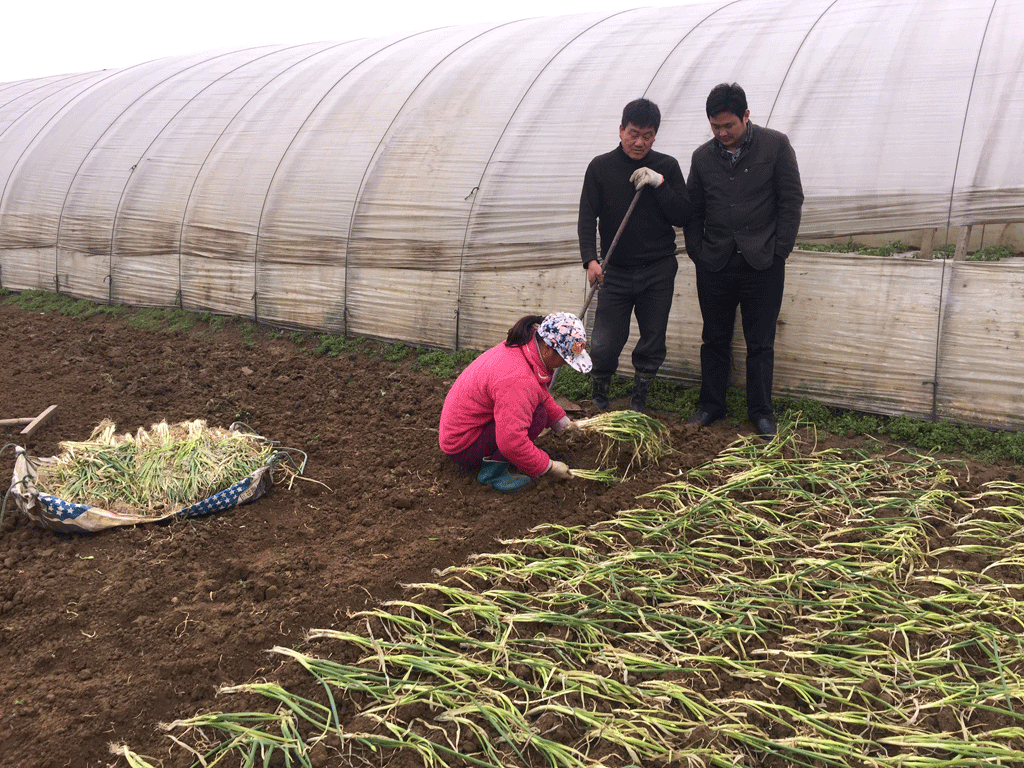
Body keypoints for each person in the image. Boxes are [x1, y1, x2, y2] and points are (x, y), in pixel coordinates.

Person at [683, 82, 804, 438]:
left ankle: (760, 411)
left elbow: (791, 199)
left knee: (760, 340)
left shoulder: (775, 145)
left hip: (762, 261)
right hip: (716, 263)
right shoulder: (702, 158)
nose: (722, 133)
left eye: (729, 126)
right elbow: (694, 210)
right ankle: (711, 405)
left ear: (746, 116)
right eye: (715, 126)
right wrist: (698, 252)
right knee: (714, 338)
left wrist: (779, 249)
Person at [578, 97, 691, 413]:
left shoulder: (666, 167)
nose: (640, 142)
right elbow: (587, 217)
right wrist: (591, 260)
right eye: (633, 133)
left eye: (648, 135)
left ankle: (639, 398)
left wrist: (660, 183)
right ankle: (599, 395)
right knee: (604, 342)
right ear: (621, 130)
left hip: (658, 269)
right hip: (615, 270)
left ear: (655, 135)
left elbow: (682, 214)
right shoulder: (601, 168)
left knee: (653, 338)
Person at [438, 312, 591, 492]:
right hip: (463, 445)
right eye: (565, 358)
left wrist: (561, 423)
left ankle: (495, 460)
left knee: (536, 411)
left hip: (466, 429)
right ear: (547, 348)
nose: (565, 364)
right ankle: (492, 473)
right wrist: (549, 466)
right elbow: (511, 442)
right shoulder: (517, 378)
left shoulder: (526, 348)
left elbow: (538, 390)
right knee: (537, 417)